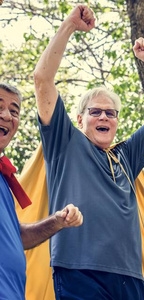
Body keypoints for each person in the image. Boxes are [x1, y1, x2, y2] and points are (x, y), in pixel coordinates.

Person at [33, 5, 144, 299]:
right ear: (80, 119)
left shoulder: (125, 155)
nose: (105, 117)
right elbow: (42, 80)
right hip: (78, 271)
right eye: (95, 112)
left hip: (129, 276)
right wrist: (70, 25)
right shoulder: (65, 142)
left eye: (111, 113)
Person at [0, 82, 83, 300]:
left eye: (14, 111)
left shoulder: (3, 180)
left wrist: (57, 221)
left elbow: (17, 237)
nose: (7, 116)